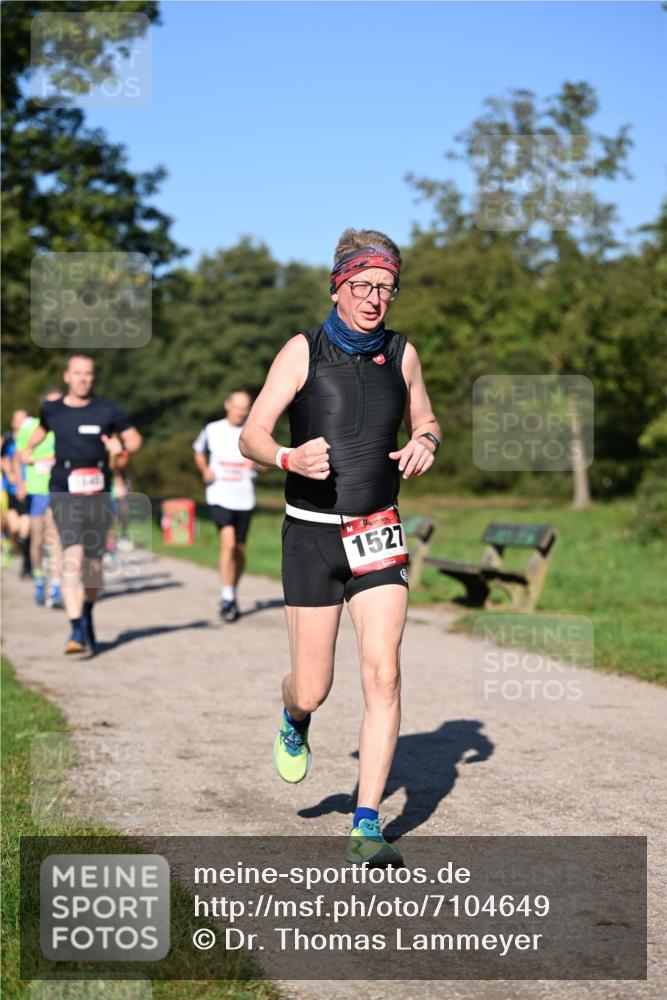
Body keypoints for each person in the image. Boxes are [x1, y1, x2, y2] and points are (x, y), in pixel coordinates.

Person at [239, 228, 440, 865]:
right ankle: (294, 717)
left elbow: (427, 420)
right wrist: (286, 456)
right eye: (363, 286)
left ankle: (365, 820)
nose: (375, 298)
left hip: (378, 532)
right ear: (338, 286)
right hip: (311, 536)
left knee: (383, 673)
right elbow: (251, 434)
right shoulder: (303, 349)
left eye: (386, 287)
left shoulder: (403, 354)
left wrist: (425, 443)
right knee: (313, 686)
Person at [20, 354, 143, 654]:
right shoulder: (52, 409)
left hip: (98, 493)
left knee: (93, 565)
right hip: (63, 490)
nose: (82, 378)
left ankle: (87, 612)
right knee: (71, 556)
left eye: (88, 374)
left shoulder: (108, 410)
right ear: (67, 377)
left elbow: (135, 440)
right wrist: (27, 450)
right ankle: (75, 628)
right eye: (77, 373)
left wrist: (121, 448)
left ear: (93, 377)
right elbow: (39, 432)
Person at [193, 390, 257, 622]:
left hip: (244, 497)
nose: (241, 411)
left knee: (239, 550)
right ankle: (227, 595)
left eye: (245, 407)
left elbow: (268, 460)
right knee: (228, 544)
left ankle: (232, 591)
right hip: (219, 494)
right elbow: (198, 451)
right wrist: (204, 470)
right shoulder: (212, 429)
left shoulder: (254, 431)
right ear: (227, 405)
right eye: (237, 406)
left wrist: (257, 465)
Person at [13, 389, 63, 607]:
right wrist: (20, 484)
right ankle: (39, 579)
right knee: (37, 540)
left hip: (59, 488)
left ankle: (57, 586)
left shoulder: (65, 427)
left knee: (56, 539)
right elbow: (18, 457)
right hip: (36, 490)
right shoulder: (30, 430)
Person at [2, 409, 32, 577]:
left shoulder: (32, 440)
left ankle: (26, 566)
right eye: (18, 420)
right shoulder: (8, 441)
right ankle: (11, 543)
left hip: (29, 489)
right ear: (13, 423)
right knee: (14, 528)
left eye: (24, 420)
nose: (21, 424)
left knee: (25, 530)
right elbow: (4, 460)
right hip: (11, 491)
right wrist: (11, 474)